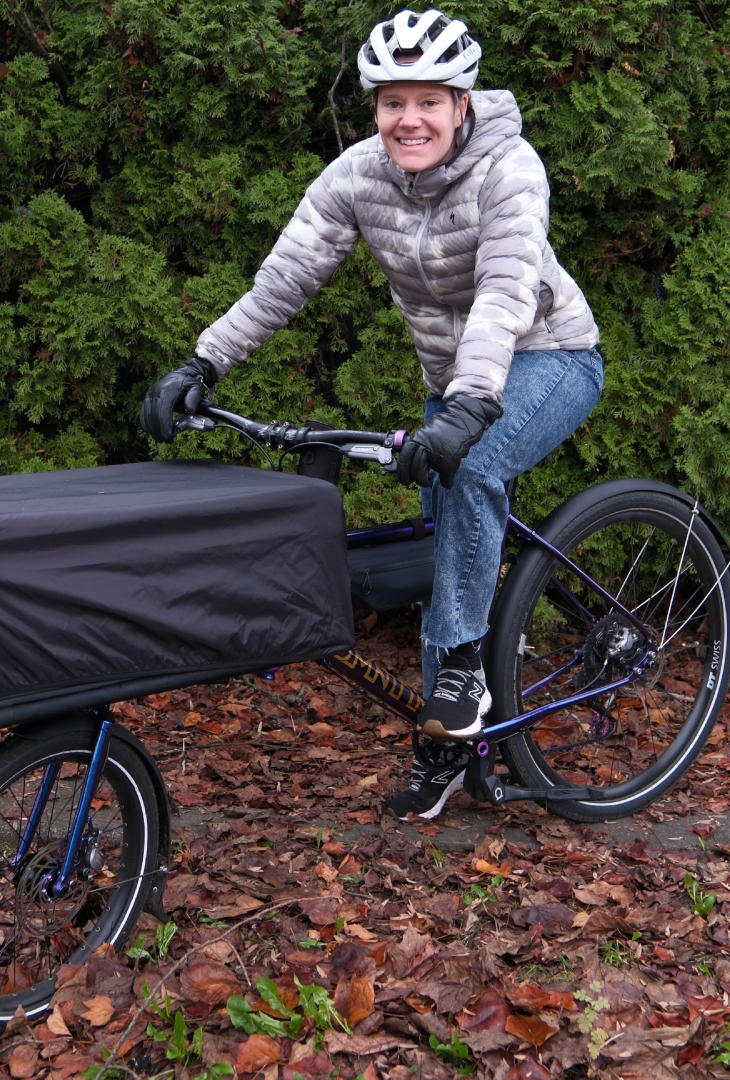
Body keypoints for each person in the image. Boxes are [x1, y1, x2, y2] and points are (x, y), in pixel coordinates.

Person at [138, 9, 603, 820]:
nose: (409, 119)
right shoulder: (358, 177)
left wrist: (469, 407)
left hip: (548, 357)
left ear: (463, 104)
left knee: (475, 467)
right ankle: (453, 748)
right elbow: (283, 281)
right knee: (444, 531)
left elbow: (503, 292)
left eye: (430, 100)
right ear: (375, 108)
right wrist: (202, 361)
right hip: (459, 384)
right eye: (393, 102)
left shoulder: (511, 169)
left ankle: (457, 676)